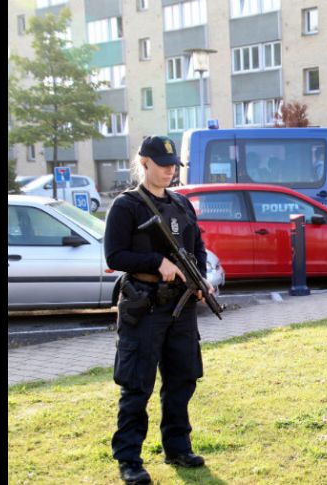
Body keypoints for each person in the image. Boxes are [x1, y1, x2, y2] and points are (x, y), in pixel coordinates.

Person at [105, 135, 214, 484]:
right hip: (145, 305)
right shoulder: (127, 206)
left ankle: (177, 446)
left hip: (180, 309)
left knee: (182, 377)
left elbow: (197, 247)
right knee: (137, 384)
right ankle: (130, 459)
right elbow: (114, 255)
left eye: (173, 166)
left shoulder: (182, 205)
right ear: (144, 162)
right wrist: (157, 261)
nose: (169, 171)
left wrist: (201, 280)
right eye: (162, 164)